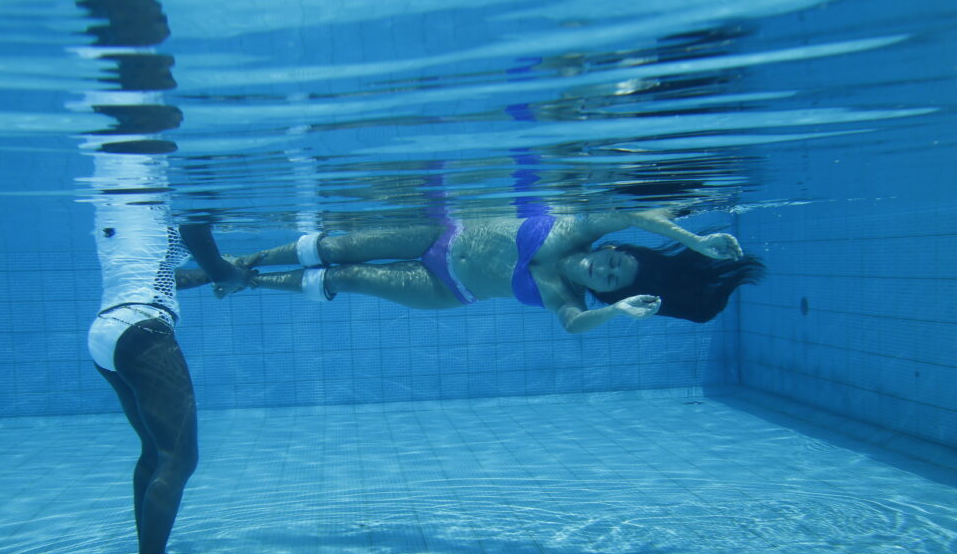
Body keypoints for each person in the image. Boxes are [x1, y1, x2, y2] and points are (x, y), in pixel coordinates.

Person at [78, 0, 253, 554]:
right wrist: (228, 272)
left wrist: (220, 278)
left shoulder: (135, 208)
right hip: (142, 334)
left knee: (156, 454)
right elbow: (205, 241)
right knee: (182, 456)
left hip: (108, 333)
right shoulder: (156, 179)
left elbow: (169, 275)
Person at [202, 208, 763, 331]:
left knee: (345, 279)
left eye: (607, 280)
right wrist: (698, 242)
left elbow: (572, 325)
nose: (604, 267)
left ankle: (248, 281)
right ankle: (240, 262)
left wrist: (614, 312)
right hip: (443, 235)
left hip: (444, 287)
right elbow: (638, 214)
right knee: (341, 245)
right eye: (617, 261)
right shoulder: (582, 228)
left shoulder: (556, 286)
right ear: (621, 250)